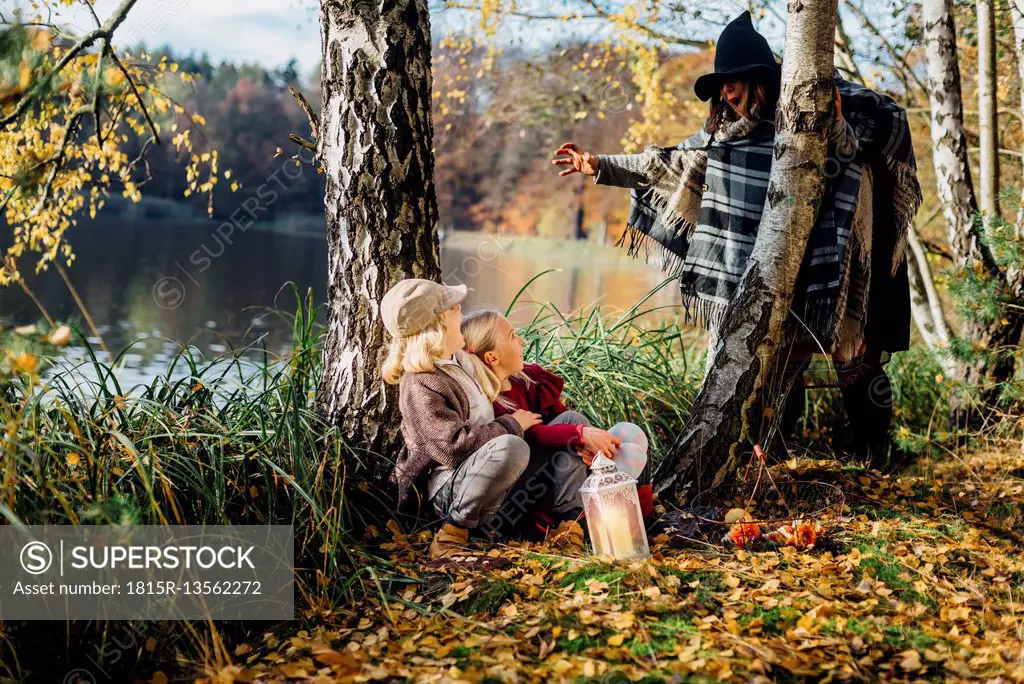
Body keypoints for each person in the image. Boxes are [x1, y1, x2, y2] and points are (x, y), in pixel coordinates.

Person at [551, 11, 922, 467]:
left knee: (854, 360)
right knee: (775, 365)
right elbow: (665, 163)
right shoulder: (721, 140)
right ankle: (775, 462)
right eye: (720, 85)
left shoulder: (809, 120)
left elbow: (850, 158)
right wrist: (600, 165)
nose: (725, 91)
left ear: (759, 79)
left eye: (733, 80)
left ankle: (876, 455)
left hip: (828, 272)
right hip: (761, 275)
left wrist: (839, 127)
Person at [460, 309, 656, 553]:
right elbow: (532, 437)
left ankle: (640, 519)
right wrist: (581, 434)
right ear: (492, 357)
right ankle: (570, 523)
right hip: (525, 499)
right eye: (512, 337)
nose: (521, 340)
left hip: (558, 477)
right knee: (573, 421)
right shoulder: (488, 402)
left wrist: (585, 442)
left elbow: (558, 420)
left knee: (630, 435)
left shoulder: (526, 380)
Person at [382, 279, 542, 559]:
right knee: (512, 447)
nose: (461, 311)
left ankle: (565, 522)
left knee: (565, 425)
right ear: (439, 326)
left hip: (485, 478)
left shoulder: (462, 362)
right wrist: (512, 425)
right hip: (449, 489)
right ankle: (451, 536)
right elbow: (451, 447)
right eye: (454, 308)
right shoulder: (421, 384)